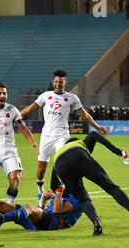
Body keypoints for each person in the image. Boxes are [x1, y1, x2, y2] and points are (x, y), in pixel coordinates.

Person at [20, 70, 108, 203]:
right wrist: (16, 117)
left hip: (62, 135)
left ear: (64, 83)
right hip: (47, 135)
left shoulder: (72, 98)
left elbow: (85, 115)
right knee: (41, 168)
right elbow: (29, 109)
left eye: (60, 82)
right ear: (53, 83)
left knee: (63, 164)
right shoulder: (45, 96)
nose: (58, 84)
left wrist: (98, 127)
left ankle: (64, 193)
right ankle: (40, 192)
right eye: (56, 82)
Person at [50, 131, 129, 235]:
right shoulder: (79, 143)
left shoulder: (57, 156)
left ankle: (96, 222)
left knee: (83, 199)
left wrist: (66, 190)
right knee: (111, 188)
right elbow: (93, 135)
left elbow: (53, 185)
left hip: (60, 165)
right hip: (78, 155)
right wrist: (117, 151)